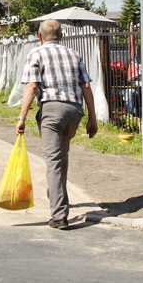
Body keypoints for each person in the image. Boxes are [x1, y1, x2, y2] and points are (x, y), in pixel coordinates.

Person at [16, 19, 98, 229]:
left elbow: (32, 87)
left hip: (51, 111)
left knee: (53, 161)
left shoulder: (36, 53)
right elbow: (86, 86)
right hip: (74, 110)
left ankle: (59, 215)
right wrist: (92, 117)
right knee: (62, 156)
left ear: (40, 36)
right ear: (61, 36)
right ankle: (57, 196)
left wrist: (22, 117)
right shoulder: (73, 54)